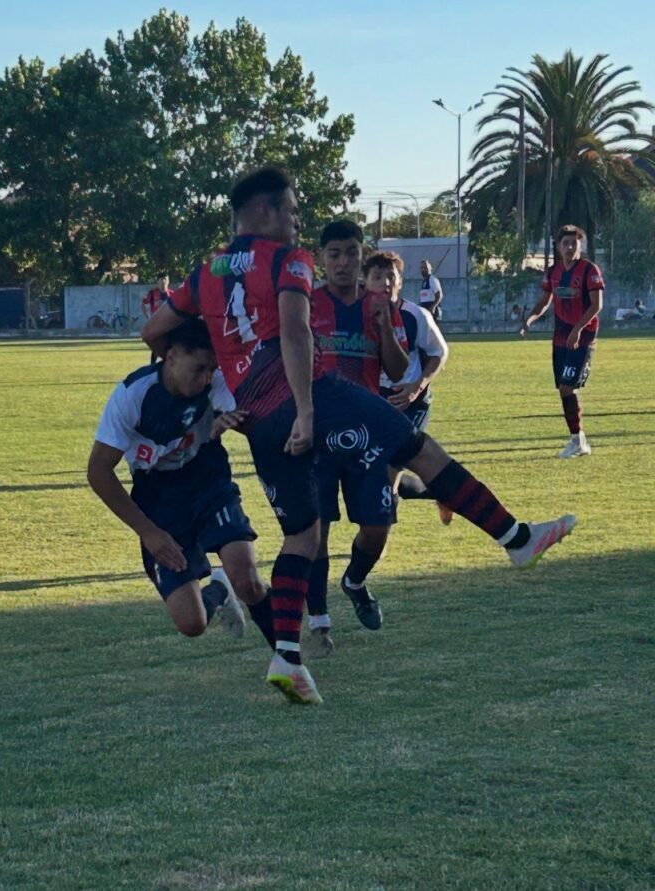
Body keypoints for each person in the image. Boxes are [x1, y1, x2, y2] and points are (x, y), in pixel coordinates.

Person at [143, 166, 577, 706]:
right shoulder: (287, 260)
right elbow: (296, 329)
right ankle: (516, 539)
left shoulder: (204, 271)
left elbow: (154, 332)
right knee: (418, 448)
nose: (299, 221)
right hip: (311, 395)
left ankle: (287, 658)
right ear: (264, 213)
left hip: (257, 419)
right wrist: (305, 409)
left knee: (303, 535)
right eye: (293, 210)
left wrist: (221, 363)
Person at [88, 318, 276, 649]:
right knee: (191, 624)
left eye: (211, 369)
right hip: (158, 499)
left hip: (207, 481)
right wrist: (148, 531)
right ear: (171, 357)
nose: (207, 378)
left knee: (247, 578)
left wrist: (233, 422)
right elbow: (98, 472)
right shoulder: (133, 395)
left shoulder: (214, 382)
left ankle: (289, 662)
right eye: (199, 368)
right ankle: (217, 588)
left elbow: (251, 420)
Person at [306, 222, 409, 654]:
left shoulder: (379, 305)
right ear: (321, 259)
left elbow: (400, 371)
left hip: (367, 435)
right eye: (334, 254)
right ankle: (319, 624)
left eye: (351, 253)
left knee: (377, 527)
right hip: (317, 434)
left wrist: (385, 328)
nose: (343, 262)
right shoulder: (306, 304)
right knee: (315, 532)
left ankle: (354, 581)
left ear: (361, 255)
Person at [366, 250, 453, 521]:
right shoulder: (356, 316)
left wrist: (417, 385)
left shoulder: (415, 315)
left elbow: (439, 353)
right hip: (375, 402)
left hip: (411, 402)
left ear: (401, 282)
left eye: (391, 276)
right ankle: (439, 491)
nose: (385, 282)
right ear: (365, 282)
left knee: (390, 467)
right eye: (377, 276)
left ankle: (380, 536)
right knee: (375, 469)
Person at [520, 225, 604, 458]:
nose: (569, 247)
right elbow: (545, 300)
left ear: (580, 245)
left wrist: (578, 330)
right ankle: (578, 439)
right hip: (560, 338)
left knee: (568, 386)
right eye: (565, 243)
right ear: (558, 247)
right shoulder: (553, 271)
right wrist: (530, 319)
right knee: (563, 390)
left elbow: (597, 305)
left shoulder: (589, 270)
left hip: (582, 337)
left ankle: (578, 441)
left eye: (574, 243)